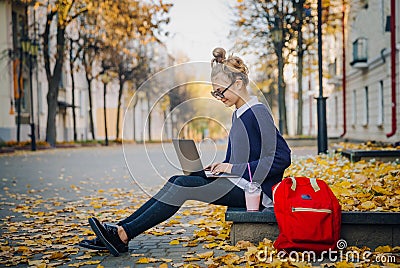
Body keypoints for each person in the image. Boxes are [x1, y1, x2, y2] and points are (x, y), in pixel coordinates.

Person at [80, 47, 291, 256]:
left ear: (237, 83)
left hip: (255, 192)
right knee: (176, 180)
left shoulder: (258, 112)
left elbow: (282, 157)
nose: (218, 96)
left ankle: (122, 235)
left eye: (220, 90)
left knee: (181, 186)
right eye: (214, 92)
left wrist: (232, 167)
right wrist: (218, 168)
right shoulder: (238, 114)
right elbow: (241, 157)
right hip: (237, 183)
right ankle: (119, 230)